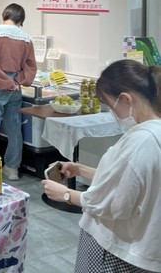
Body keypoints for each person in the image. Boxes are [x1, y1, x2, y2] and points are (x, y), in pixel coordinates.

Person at [42, 59, 161, 273]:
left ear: (125, 99)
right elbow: (130, 181)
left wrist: (67, 195)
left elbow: (115, 204)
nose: (113, 113)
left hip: (117, 248)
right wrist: (81, 170)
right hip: (143, 246)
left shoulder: (140, 142)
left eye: (110, 104)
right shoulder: (153, 133)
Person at [0, 3, 36, 181]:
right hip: (15, 85)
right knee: (14, 128)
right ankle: (12, 169)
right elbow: (31, 65)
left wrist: (3, 81)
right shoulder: (26, 39)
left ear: (5, 15)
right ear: (21, 20)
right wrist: (16, 81)